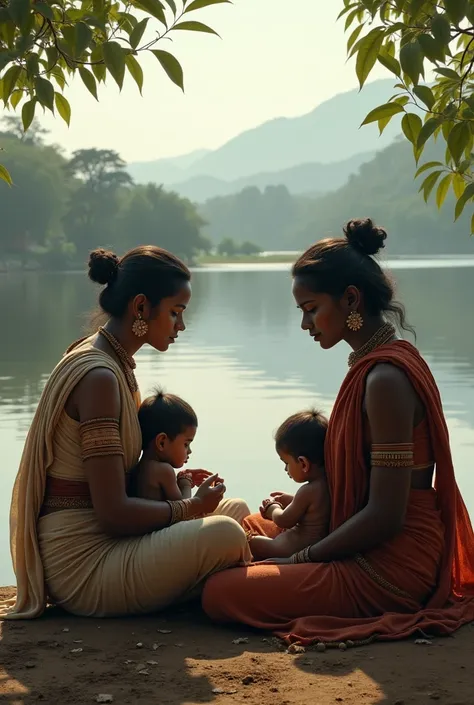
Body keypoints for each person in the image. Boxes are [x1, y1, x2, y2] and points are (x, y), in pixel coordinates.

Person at [202, 218, 474, 645]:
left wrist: (302, 557)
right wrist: (305, 508)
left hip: (391, 566)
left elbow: (386, 516)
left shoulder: (386, 378)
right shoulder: (375, 365)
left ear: (351, 299)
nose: (306, 325)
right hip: (365, 539)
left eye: (312, 309)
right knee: (239, 525)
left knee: (218, 591)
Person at [1, 246, 251, 620]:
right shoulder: (99, 376)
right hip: (84, 563)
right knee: (225, 534)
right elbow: (113, 514)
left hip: (116, 543)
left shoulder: (115, 363)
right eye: (175, 313)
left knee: (236, 512)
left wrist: (174, 483)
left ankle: (219, 580)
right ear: (140, 308)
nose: (180, 326)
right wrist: (189, 507)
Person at [248, 410, 329, 561]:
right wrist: (292, 500)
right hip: (310, 546)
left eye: (286, 463)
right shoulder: (328, 483)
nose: (286, 469)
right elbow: (312, 509)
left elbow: (284, 520)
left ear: (303, 463)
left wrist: (272, 509)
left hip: (288, 549)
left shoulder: (308, 490)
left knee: (250, 542)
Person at [129, 389, 218, 502]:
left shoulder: (141, 467)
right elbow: (183, 510)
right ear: (162, 442)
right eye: (186, 444)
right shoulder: (164, 471)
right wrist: (185, 483)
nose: (189, 451)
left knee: (237, 505)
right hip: (178, 520)